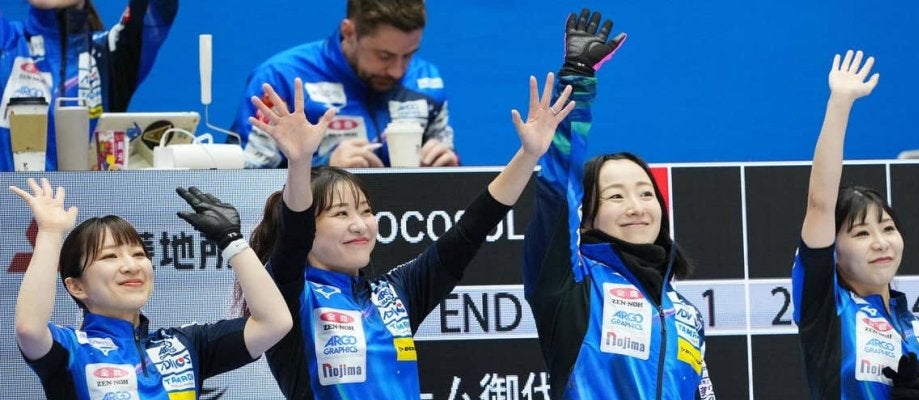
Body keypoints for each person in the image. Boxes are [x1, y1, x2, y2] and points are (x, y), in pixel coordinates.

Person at [239, 70, 572, 398]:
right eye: (341, 213)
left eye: (365, 211)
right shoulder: (290, 295)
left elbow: (473, 227)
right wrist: (299, 162)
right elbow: (294, 235)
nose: (360, 224)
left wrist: (528, 155)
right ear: (308, 230)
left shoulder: (396, 292)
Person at [522, 9, 715, 399]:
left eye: (646, 193)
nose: (636, 207)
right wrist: (578, 78)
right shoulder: (572, 285)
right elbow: (559, 192)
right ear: (587, 216)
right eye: (615, 195)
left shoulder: (686, 313)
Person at [10, 178, 292, 399]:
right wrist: (50, 232)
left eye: (139, 254)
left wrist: (232, 242)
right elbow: (29, 329)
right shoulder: (71, 349)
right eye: (110, 256)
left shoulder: (184, 345)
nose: (131, 266)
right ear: (76, 286)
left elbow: (275, 323)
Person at [793, 50, 919, 400]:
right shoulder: (827, 310)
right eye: (861, 233)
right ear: (834, 252)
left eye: (887, 228)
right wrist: (840, 103)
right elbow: (820, 204)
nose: (880, 242)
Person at [230, 0, 458, 169]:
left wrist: (451, 168)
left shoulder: (426, 80)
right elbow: (243, 184)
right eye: (384, 56)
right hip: (311, 220)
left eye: (409, 55)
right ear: (348, 32)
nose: (398, 71)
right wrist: (322, 170)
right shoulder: (281, 79)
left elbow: (448, 185)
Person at [0, 0, 178, 171]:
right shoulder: (7, 44)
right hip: (12, 193)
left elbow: (159, 7)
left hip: (92, 193)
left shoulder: (110, 54)